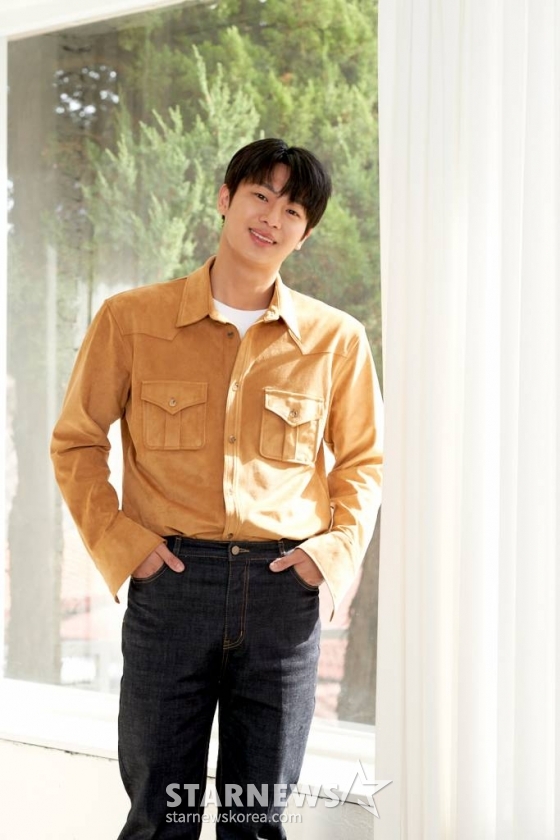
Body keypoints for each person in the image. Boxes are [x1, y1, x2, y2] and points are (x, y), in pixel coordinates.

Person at [51, 138, 383, 839]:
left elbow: (363, 462)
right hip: (173, 585)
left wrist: (329, 557)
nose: (272, 218)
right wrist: (125, 545)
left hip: (282, 592)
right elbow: (76, 442)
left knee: (255, 821)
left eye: (293, 210)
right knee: (158, 818)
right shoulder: (130, 320)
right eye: (260, 195)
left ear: (305, 233)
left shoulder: (337, 340)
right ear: (225, 199)